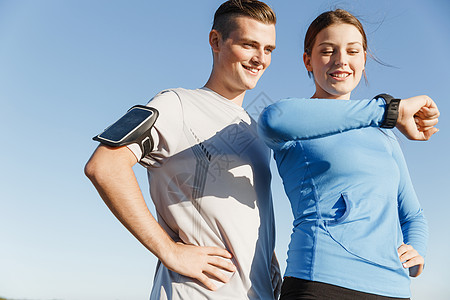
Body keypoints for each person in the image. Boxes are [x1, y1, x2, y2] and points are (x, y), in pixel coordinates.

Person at [86, 1, 281, 299]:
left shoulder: (256, 131)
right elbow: (105, 166)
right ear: (216, 41)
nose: (260, 59)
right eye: (249, 45)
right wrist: (171, 251)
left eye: (268, 49)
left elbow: (247, 216)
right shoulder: (176, 104)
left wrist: (270, 265)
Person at [258, 9, 439, 300]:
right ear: (308, 60)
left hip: (392, 288)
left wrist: (417, 251)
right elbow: (273, 118)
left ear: (363, 58)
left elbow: (413, 214)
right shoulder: (297, 123)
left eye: (352, 51)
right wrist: (388, 110)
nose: (341, 60)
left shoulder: (384, 135)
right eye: (328, 51)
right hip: (320, 282)